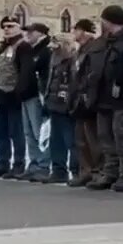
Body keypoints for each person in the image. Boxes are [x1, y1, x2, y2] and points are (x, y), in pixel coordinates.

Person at [87, 5, 123, 192]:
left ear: (109, 21)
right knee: (105, 137)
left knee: (122, 137)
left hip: (121, 98)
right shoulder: (106, 40)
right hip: (103, 96)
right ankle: (110, 173)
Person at [67, 20, 104, 187]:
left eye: (76, 29)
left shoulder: (94, 48)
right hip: (78, 98)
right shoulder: (78, 51)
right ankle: (86, 171)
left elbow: (93, 73)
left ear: (84, 31)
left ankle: (97, 171)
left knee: (92, 138)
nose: (73, 32)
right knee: (81, 139)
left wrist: (87, 94)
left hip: (88, 98)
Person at [0, 17, 26, 178]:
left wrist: (18, 91)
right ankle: (3, 162)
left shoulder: (22, 46)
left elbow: (24, 71)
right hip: (0, 94)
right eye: (4, 26)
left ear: (19, 28)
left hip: (13, 94)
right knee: (0, 130)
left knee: (16, 131)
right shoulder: (3, 47)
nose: (6, 29)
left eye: (11, 26)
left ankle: (19, 163)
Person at [15, 23, 52, 180]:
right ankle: (34, 163)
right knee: (29, 133)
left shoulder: (46, 51)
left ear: (41, 33)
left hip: (38, 95)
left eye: (31, 31)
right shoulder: (29, 50)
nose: (27, 34)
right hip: (26, 94)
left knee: (40, 132)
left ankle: (43, 166)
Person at [40, 34, 78, 184]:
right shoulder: (54, 61)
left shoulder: (73, 61)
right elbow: (50, 83)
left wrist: (70, 104)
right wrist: (47, 102)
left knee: (71, 141)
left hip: (66, 106)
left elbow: (73, 84)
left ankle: (76, 171)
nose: (53, 50)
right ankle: (58, 170)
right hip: (54, 104)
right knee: (56, 140)